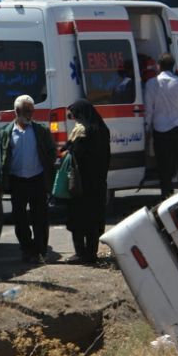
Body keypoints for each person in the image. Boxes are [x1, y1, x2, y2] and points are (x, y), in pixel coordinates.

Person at [0, 94, 55, 263]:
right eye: (26, 110)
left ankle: (40, 251)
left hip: (37, 180)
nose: (30, 114)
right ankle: (26, 248)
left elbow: (51, 153)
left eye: (32, 110)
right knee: (20, 220)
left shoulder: (41, 131)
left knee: (40, 219)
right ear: (17, 111)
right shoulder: (7, 133)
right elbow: (2, 156)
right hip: (17, 181)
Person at [144, 52, 178, 199]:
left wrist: (147, 130)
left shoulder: (151, 84)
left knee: (164, 167)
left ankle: (166, 196)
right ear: (173, 66)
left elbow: (149, 110)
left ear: (158, 66)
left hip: (160, 132)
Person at [64, 100, 111, 264]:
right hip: (98, 183)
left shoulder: (83, 133)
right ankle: (91, 253)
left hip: (81, 186)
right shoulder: (103, 130)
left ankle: (80, 253)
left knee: (78, 218)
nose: (75, 119)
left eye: (75, 115)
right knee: (94, 220)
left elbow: (75, 154)